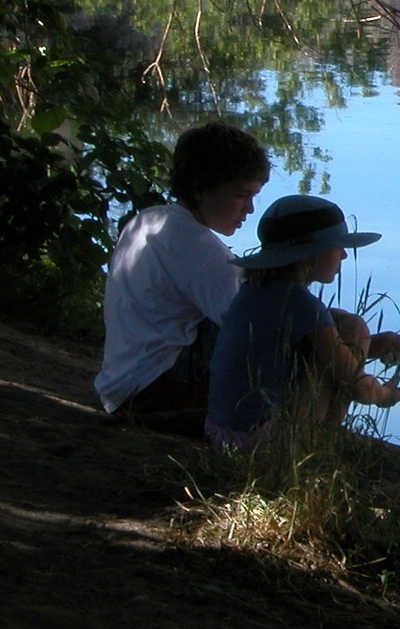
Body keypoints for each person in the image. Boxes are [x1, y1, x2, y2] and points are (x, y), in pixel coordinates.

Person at [94, 122, 271, 429]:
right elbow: (254, 325)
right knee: (273, 332)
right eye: (241, 195)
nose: (250, 209)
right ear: (201, 186)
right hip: (154, 392)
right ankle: (282, 436)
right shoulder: (197, 245)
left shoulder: (148, 220)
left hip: (121, 387)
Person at [204, 194, 400, 453]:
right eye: (338, 247)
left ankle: (319, 440)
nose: (345, 255)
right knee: (354, 328)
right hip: (261, 442)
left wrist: (373, 345)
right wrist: (385, 394)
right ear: (310, 255)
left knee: (347, 324)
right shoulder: (301, 305)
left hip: (219, 433)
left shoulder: (254, 292)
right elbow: (356, 386)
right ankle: (317, 445)